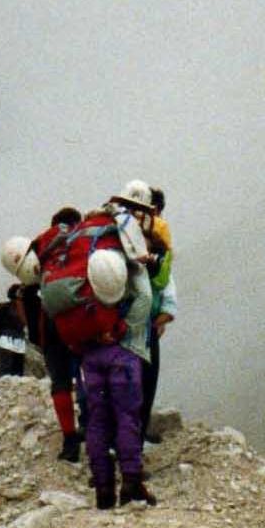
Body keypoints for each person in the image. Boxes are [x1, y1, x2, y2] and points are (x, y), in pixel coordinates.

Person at [76, 181, 157, 509]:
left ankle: (104, 491)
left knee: (97, 418)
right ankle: (132, 483)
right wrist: (123, 329)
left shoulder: (86, 249)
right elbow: (145, 297)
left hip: (90, 351)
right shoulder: (126, 251)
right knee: (126, 416)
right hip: (123, 352)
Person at [27, 207, 85, 461]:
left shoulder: (40, 242)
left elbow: (27, 281)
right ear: (77, 222)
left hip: (50, 320)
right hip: (80, 315)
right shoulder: (85, 237)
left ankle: (70, 441)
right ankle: (93, 427)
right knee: (88, 371)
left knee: (60, 382)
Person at [142, 186, 176, 442]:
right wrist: (160, 318)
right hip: (145, 328)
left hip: (113, 329)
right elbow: (165, 284)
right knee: (145, 383)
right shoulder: (159, 231)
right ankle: (137, 440)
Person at [0, 285, 28, 377]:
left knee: (18, 364)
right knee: (6, 363)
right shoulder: (4, 307)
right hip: (7, 337)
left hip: (19, 338)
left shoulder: (23, 309)